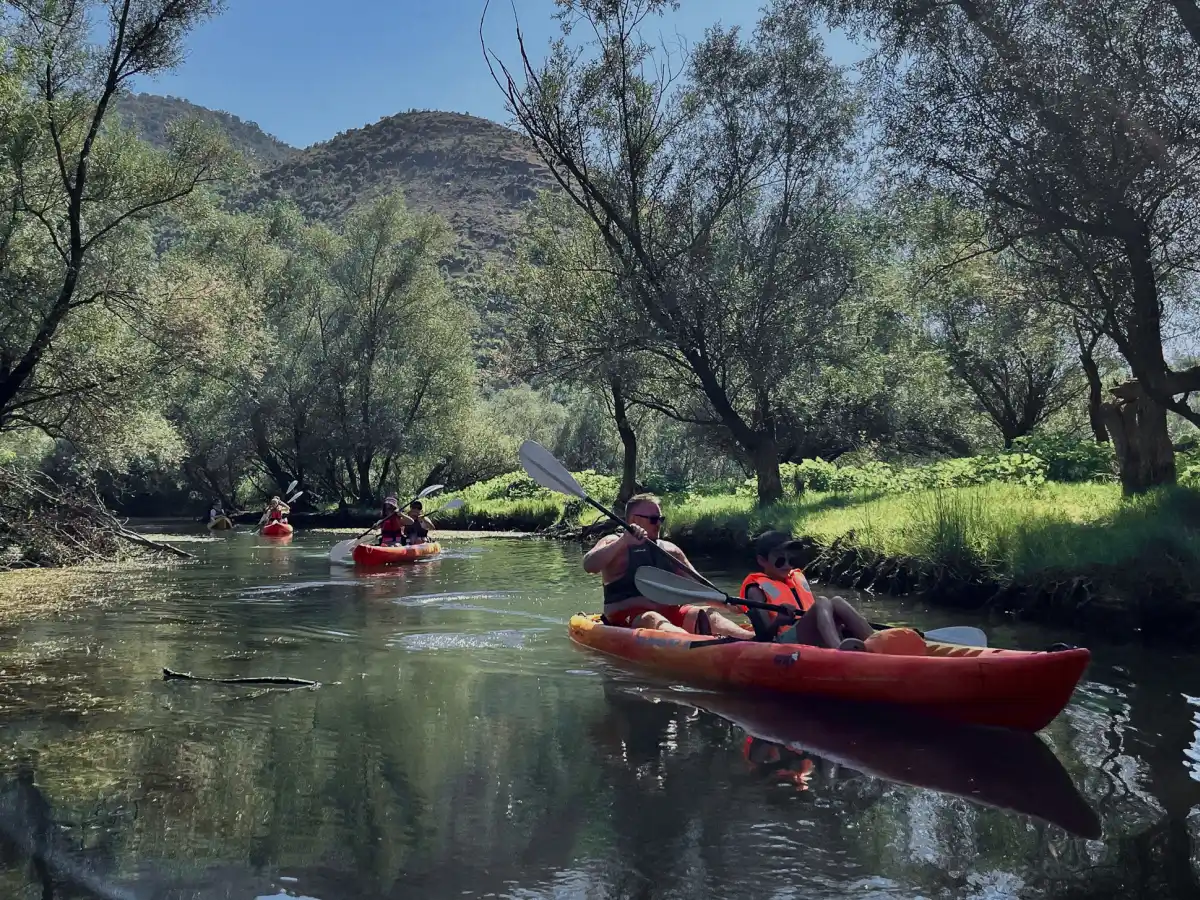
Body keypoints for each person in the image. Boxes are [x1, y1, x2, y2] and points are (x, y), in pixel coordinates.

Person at [582, 493, 751, 638]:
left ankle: (752, 640)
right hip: (626, 619)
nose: (658, 524)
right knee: (652, 618)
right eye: (654, 519)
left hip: (670, 614)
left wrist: (726, 602)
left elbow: (698, 586)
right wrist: (623, 541)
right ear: (633, 520)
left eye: (660, 519)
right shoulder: (614, 542)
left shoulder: (670, 550)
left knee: (707, 614)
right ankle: (691, 646)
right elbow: (590, 565)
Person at [742, 530, 924, 654]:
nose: (788, 563)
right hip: (783, 642)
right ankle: (839, 651)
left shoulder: (794, 578)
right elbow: (763, 638)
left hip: (807, 635)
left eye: (791, 557)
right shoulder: (756, 590)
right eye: (780, 558)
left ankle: (878, 642)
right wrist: (780, 621)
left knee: (836, 601)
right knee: (822, 601)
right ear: (762, 560)